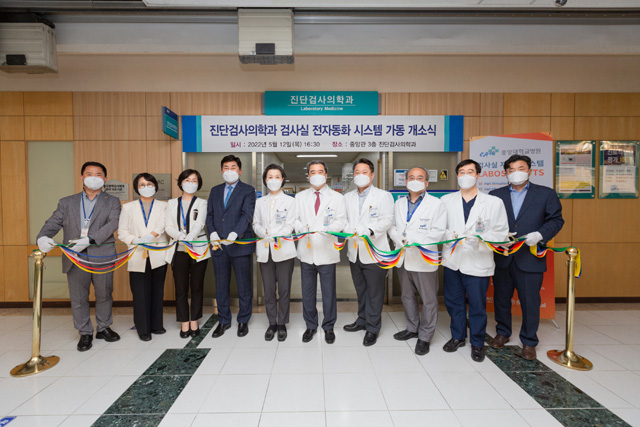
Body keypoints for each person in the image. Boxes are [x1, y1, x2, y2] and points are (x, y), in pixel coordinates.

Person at [36, 161, 121, 352]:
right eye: (89, 174)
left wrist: (90, 239)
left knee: (104, 294)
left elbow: (112, 224)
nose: (94, 177)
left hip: (102, 255)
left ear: (105, 178)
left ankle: (104, 327)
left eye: (98, 174)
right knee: (78, 297)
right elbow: (53, 222)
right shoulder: (66, 202)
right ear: (82, 177)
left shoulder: (112, 201)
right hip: (75, 256)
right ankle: (84, 332)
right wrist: (42, 237)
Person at [489, 154, 564, 360]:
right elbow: (488, 222)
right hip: (503, 256)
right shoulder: (495, 195)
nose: (516, 173)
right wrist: (496, 237)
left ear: (529, 171)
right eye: (511, 169)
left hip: (529, 258)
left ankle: (529, 341)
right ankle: (503, 332)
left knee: (530, 302)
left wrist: (540, 234)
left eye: (520, 168)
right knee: (501, 298)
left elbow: (556, 220)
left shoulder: (546, 194)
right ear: (505, 173)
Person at [441, 159, 509, 362]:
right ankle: (458, 336)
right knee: (454, 302)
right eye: (462, 172)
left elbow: (502, 233)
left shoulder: (493, 202)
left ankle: (477, 343)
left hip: (478, 261)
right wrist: (450, 236)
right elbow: (438, 228)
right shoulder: (445, 200)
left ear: (478, 175)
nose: (466, 175)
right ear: (457, 176)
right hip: (453, 259)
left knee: (477, 305)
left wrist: (481, 239)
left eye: (470, 172)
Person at [388, 167, 447, 355]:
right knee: (407, 296)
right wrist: (398, 238)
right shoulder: (399, 203)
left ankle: (425, 336)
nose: (415, 181)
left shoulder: (436, 204)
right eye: (411, 177)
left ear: (426, 182)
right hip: (403, 257)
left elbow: (439, 232)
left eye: (419, 178)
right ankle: (412, 328)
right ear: (405, 182)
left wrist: (415, 240)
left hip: (424, 258)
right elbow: (392, 226)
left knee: (428, 300)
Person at [343, 158, 394, 347]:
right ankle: (362, 320)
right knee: (361, 289)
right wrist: (349, 229)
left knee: (374, 292)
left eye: (364, 172)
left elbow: (387, 219)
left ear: (372, 175)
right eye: (357, 172)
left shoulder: (383, 196)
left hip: (375, 251)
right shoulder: (347, 197)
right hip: (355, 251)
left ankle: (373, 328)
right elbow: (343, 220)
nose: (360, 175)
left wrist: (370, 231)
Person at [295, 160, 347, 344]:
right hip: (307, 251)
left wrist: (331, 228)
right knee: (307, 292)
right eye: (312, 172)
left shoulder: (337, 197)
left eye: (320, 172)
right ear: (308, 175)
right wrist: (301, 228)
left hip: (327, 250)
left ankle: (329, 326)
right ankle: (310, 325)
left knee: (328, 292)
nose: (316, 175)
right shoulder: (300, 197)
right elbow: (295, 219)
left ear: (326, 174)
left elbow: (342, 221)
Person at [207, 155, 256, 338]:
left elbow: (246, 215)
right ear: (221, 171)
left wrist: (235, 234)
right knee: (221, 286)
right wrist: (212, 233)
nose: (229, 171)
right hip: (218, 246)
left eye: (233, 167)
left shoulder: (248, 190)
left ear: (240, 171)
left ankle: (243, 320)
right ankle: (223, 320)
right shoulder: (215, 190)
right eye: (226, 167)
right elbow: (210, 215)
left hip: (240, 245)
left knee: (244, 286)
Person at [117, 173, 168, 341]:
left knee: (157, 290)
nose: (146, 187)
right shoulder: (128, 207)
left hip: (158, 252)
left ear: (155, 186)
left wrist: (150, 236)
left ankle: (156, 325)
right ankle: (143, 329)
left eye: (149, 184)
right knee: (140, 292)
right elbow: (122, 232)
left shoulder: (164, 206)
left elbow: (162, 225)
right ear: (137, 188)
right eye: (142, 185)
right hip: (137, 253)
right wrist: (135, 240)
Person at [252, 164, 297, 342]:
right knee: (269, 290)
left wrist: (277, 234)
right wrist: (262, 232)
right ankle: (272, 322)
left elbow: (291, 224)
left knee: (284, 289)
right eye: (270, 177)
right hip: (265, 250)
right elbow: (255, 223)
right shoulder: (259, 202)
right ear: (265, 180)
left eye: (277, 177)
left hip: (284, 249)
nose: (273, 180)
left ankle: (282, 323)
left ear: (283, 179)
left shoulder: (291, 201)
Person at [165, 169, 210, 338]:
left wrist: (191, 235)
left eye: (194, 181)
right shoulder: (171, 203)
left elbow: (200, 223)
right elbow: (168, 226)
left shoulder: (202, 203)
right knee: (181, 288)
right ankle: (184, 322)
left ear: (198, 184)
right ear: (181, 183)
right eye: (187, 180)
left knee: (197, 287)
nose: (190, 183)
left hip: (198, 249)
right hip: (178, 250)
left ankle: (194, 321)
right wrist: (179, 235)